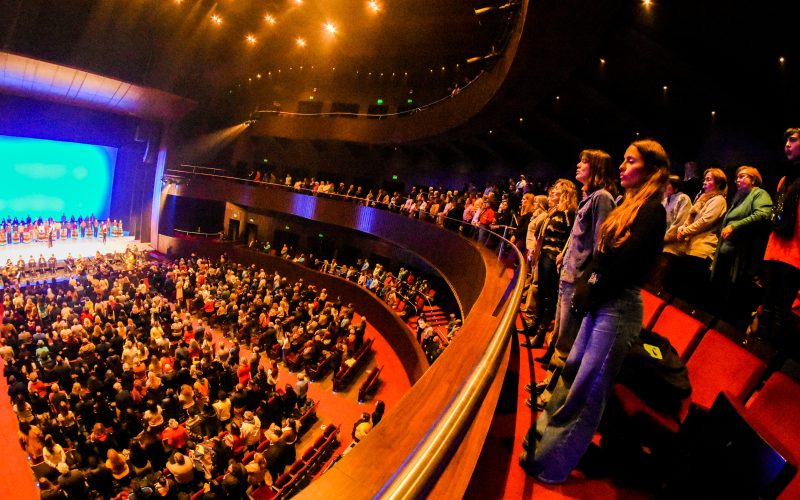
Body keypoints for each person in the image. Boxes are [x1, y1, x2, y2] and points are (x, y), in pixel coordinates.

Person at [520, 139, 669, 484]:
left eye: (630, 161)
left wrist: (593, 288)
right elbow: (603, 256)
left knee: (587, 390)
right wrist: (589, 287)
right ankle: (541, 443)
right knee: (571, 374)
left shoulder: (653, 211)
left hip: (618, 309)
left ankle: (553, 465)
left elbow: (629, 264)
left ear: (649, 169)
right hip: (601, 301)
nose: (622, 166)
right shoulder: (625, 206)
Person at [530, 149, 618, 407]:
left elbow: (601, 244)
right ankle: (549, 382)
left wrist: (587, 282)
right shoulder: (589, 198)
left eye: (584, 162)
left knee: (568, 341)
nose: (578, 165)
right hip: (566, 276)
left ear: (597, 169)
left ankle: (554, 394)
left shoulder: (602, 198)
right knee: (560, 335)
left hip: (577, 280)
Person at [710, 166, 773, 325]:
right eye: (737, 177)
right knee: (720, 296)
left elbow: (763, 214)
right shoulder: (739, 197)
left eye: (743, 176)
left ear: (753, 179)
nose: (738, 180)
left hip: (741, 259)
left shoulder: (759, 194)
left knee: (733, 299)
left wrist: (734, 226)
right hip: (726, 256)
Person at [758, 127, 800, 358]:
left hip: (794, 255)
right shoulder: (784, 179)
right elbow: (777, 215)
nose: (787, 145)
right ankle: (758, 355)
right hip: (774, 249)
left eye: (793, 140)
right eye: (786, 141)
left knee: (781, 313)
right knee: (767, 306)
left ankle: (769, 361)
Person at [521, 179, 578, 347]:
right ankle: (534, 328)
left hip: (553, 259)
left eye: (557, 190)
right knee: (542, 295)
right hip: (544, 255)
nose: (553, 191)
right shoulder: (555, 211)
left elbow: (570, 238)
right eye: (552, 189)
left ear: (566, 193)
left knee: (548, 298)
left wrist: (562, 254)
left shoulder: (569, 212)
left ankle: (539, 335)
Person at [671, 167, 728, 306]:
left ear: (718, 183)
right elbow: (691, 218)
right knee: (681, 291)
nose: (704, 182)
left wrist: (685, 231)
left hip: (702, 250)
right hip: (690, 248)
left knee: (691, 293)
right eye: (705, 179)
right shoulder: (702, 199)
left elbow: (705, 222)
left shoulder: (719, 200)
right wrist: (682, 228)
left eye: (708, 179)